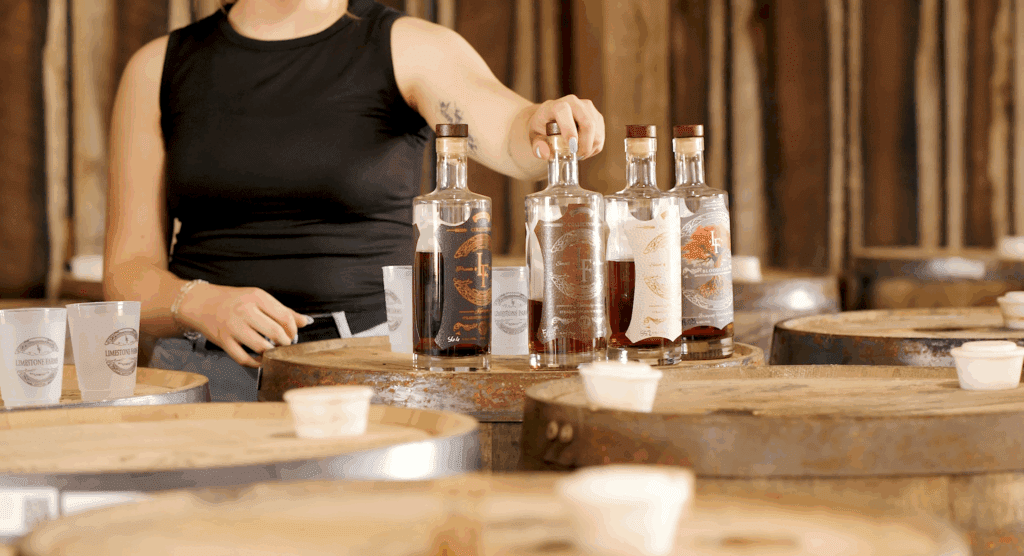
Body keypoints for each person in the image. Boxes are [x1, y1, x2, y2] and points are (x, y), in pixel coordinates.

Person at [103, 0, 607, 401]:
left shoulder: (408, 47)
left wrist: (548, 121)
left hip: (368, 368)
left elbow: (512, 135)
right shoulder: (157, 67)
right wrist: (199, 302)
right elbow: (126, 274)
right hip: (203, 374)